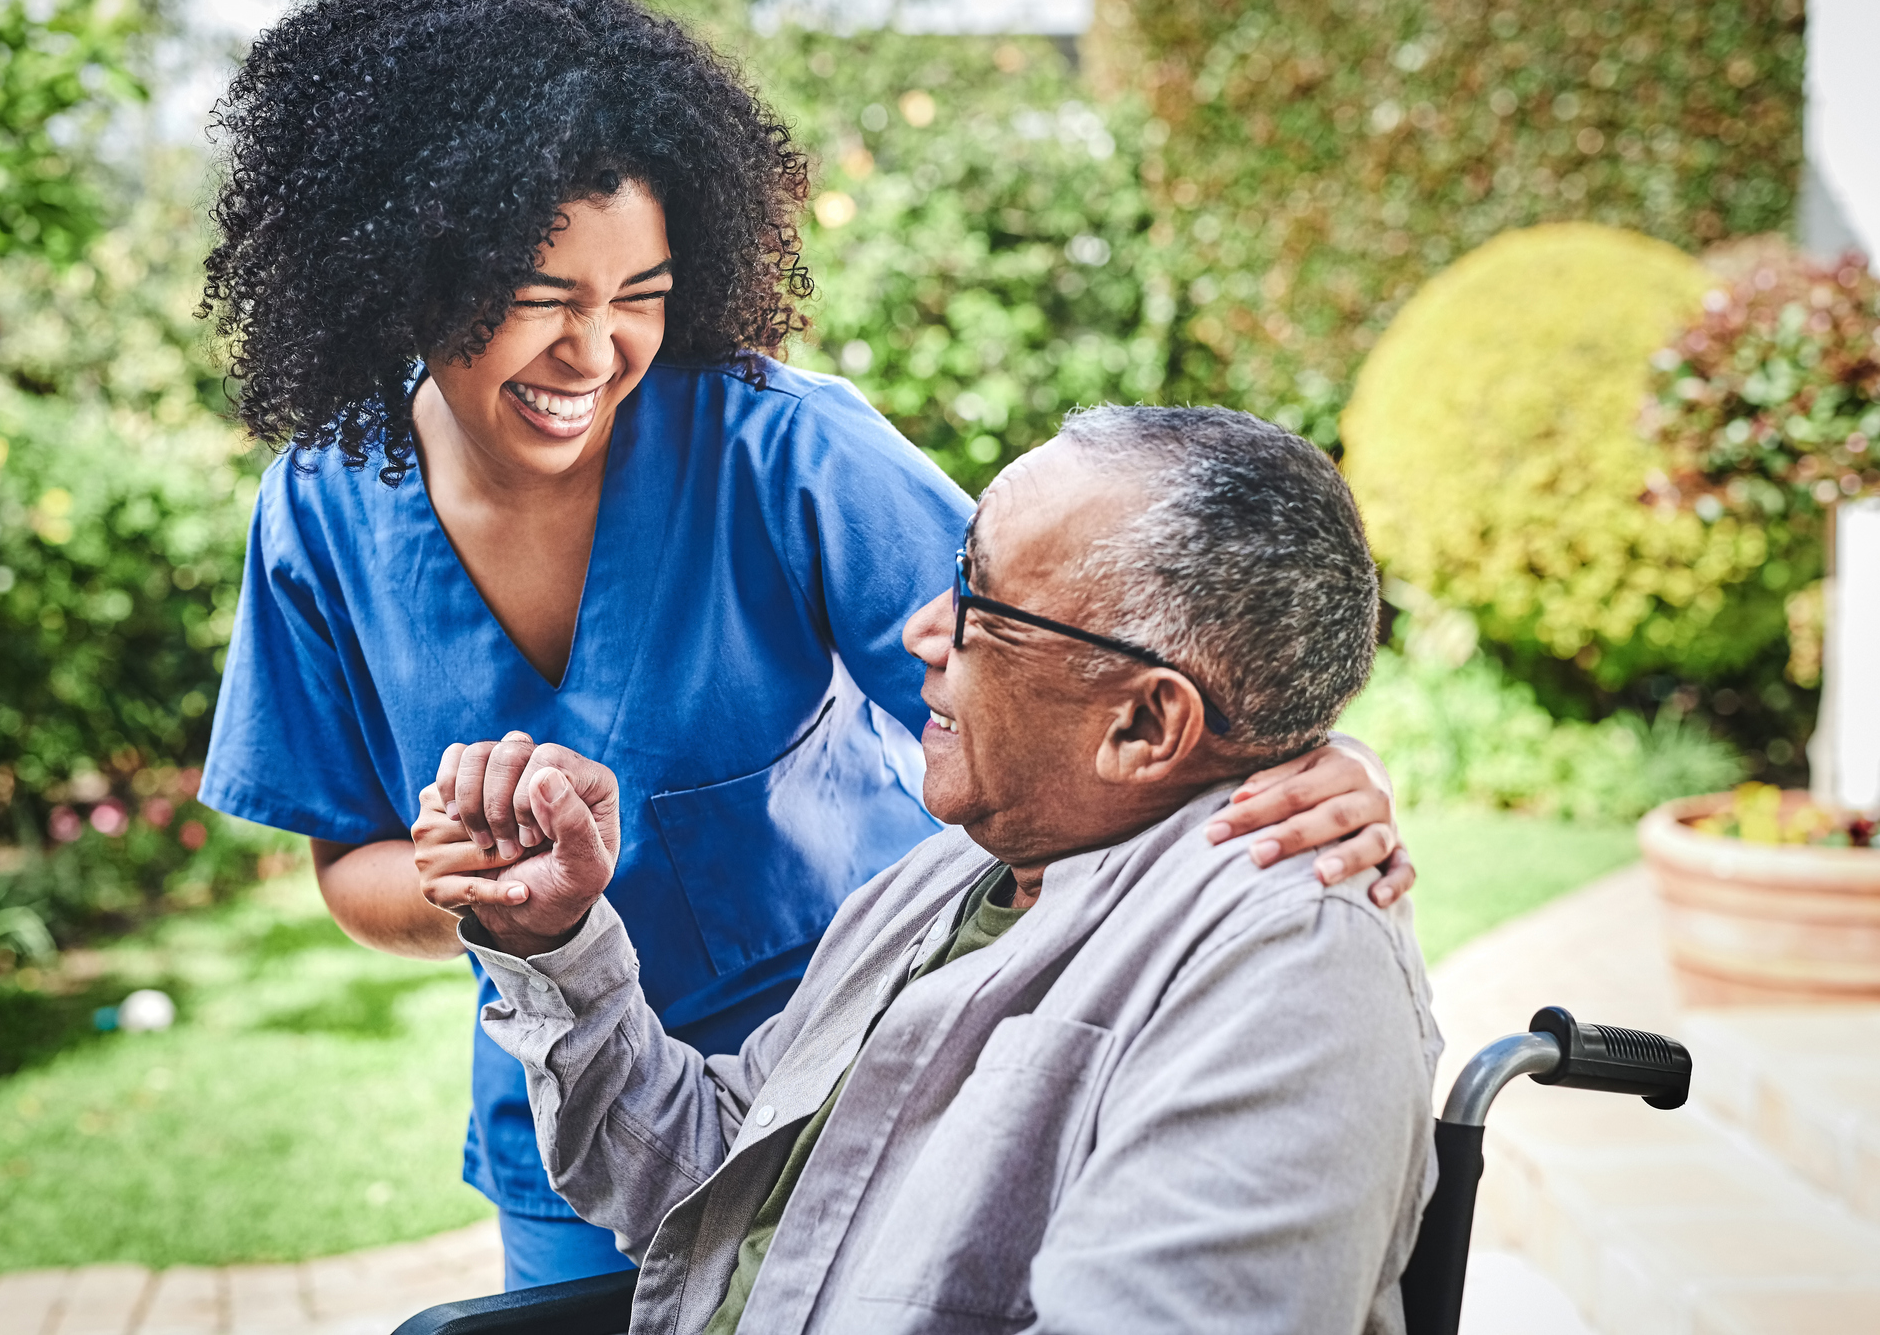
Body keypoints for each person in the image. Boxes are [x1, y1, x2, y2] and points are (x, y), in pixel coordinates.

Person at [196, 0, 1417, 1289]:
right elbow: (350, 865)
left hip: (866, 1077)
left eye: (641, 298)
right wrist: (494, 894)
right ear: (407, 266)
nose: (595, 352)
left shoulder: (782, 451)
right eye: (541, 299)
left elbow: (1076, 678)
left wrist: (1307, 758)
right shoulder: (317, 512)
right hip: (581, 1105)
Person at [428, 404, 1440, 1334]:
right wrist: (555, 941)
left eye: (980, 605)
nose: (918, 629)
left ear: (1141, 722)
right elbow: (712, 1178)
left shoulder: (1289, 973)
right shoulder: (949, 875)